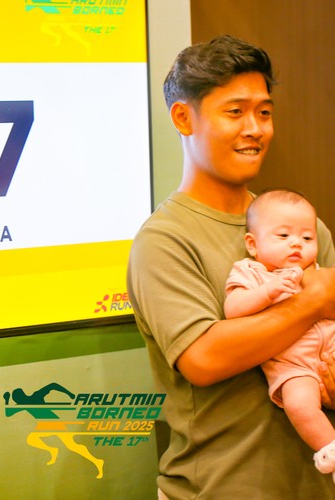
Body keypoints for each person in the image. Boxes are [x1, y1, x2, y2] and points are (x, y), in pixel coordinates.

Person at [127, 34, 335, 498]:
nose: (255, 129)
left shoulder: (303, 228)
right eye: (235, 111)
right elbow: (204, 358)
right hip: (217, 488)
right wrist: (314, 300)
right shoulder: (164, 239)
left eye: (264, 112)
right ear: (183, 117)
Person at [225, 189, 335, 480]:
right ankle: (330, 450)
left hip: (332, 351)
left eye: (307, 238)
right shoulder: (250, 272)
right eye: (283, 236)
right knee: (299, 404)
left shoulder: (317, 271)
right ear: (253, 244)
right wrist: (267, 292)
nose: (296, 243)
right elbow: (233, 309)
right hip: (294, 367)